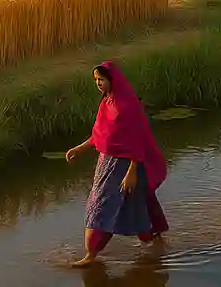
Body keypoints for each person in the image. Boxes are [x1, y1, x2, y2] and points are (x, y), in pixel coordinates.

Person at [64, 61, 169, 267]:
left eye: (101, 79)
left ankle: (92, 254)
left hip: (126, 165)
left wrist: (132, 172)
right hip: (106, 164)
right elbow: (100, 135)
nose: (98, 84)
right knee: (114, 205)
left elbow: (138, 140)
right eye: (96, 80)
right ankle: (95, 253)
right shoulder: (107, 103)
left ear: (112, 80)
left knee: (111, 206)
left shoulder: (127, 106)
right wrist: (79, 148)